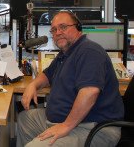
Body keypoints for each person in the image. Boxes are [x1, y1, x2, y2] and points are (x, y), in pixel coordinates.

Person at [17, 11, 124, 147]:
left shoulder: (89, 51)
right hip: (66, 121)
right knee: (26, 119)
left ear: (78, 28)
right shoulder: (66, 53)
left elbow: (90, 92)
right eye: (54, 30)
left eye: (63, 27)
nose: (58, 32)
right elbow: (47, 75)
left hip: (91, 127)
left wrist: (66, 125)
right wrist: (33, 85)